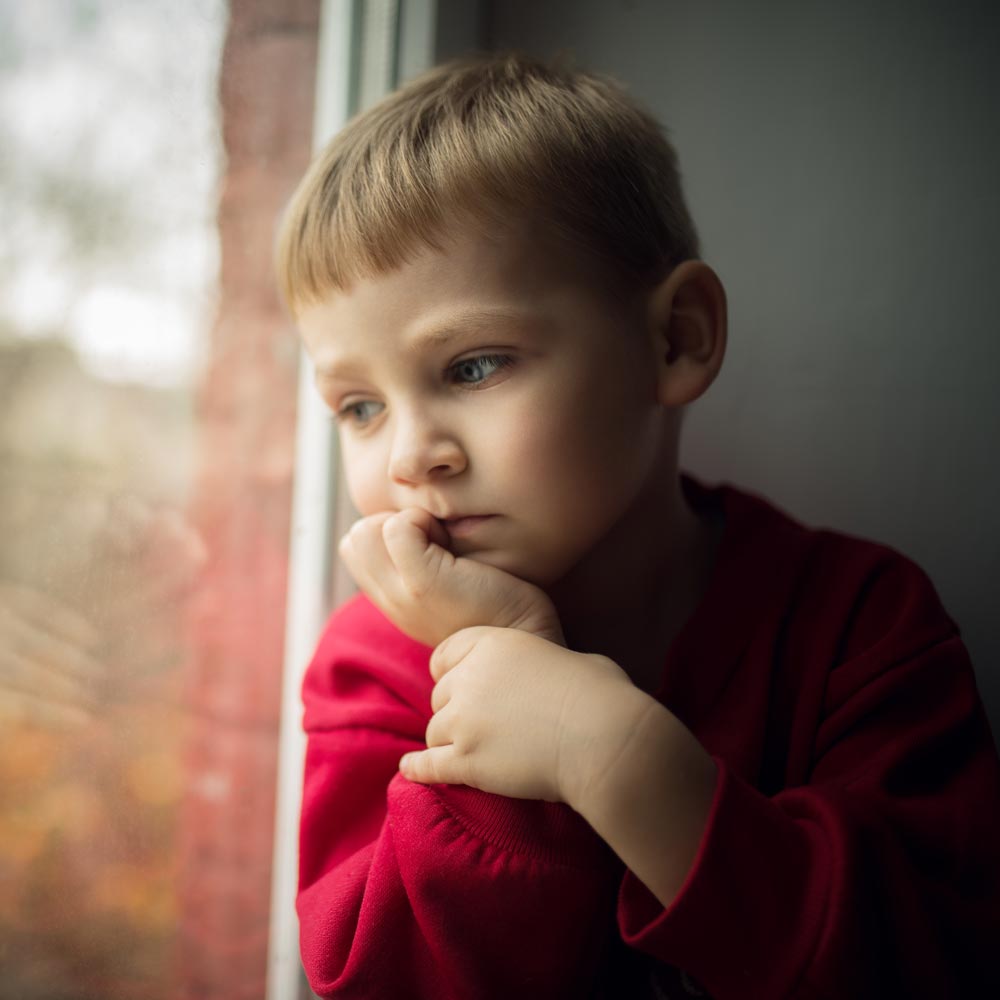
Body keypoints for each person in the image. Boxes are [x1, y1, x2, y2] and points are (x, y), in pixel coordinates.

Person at [273, 51, 1000, 999]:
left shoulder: (862, 624)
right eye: (359, 407)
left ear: (676, 338)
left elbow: (934, 961)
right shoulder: (371, 664)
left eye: (474, 367)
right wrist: (494, 660)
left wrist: (611, 757)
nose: (411, 456)